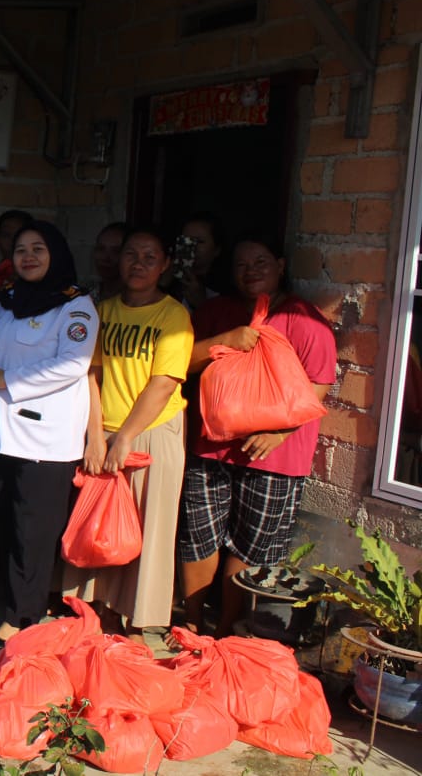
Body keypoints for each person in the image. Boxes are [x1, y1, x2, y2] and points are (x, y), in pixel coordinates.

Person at [176, 233, 335, 637]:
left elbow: (318, 385)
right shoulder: (216, 312)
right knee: (199, 538)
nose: (250, 271)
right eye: (241, 265)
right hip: (211, 448)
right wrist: (224, 341)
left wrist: (279, 432)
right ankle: (192, 624)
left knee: (249, 546)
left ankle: (226, 631)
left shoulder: (305, 321)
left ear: (280, 265)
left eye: (260, 262)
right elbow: (181, 362)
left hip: (273, 457)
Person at [0, 221, 98, 654]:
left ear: (55, 253)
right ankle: (12, 600)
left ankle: (23, 620)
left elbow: (72, 365)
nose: (28, 257)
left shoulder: (75, 306)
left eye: (38, 248)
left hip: (44, 439)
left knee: (32, 532)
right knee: (3, 521)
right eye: (21, 249)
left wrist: (8, 378)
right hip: (0, 433)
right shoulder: (9, 299)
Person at [63, 226, 193, 643]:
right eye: (131, 255)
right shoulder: (101, 311)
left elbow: (164, 383)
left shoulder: (173, 316)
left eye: (149, 257)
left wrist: (125, 437)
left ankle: (137, 620)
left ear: (165, 264)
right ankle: (97, 611)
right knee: (100, 524)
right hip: (105, 431)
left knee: (148, 528)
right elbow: (91, 374)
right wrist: (95, 436)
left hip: (152, 431)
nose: (139, 264)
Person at [170, 211, 226, 311]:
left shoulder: (225, 290)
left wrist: (201, 303)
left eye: (200, 241)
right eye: (186, 240)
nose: (191, 246)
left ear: (217, 249)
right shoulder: (169, 279)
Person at [91, 221, 128, 303]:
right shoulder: (86, 297)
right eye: (101, 249)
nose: (106, 257)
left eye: (116, 251)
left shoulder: (136, 301)